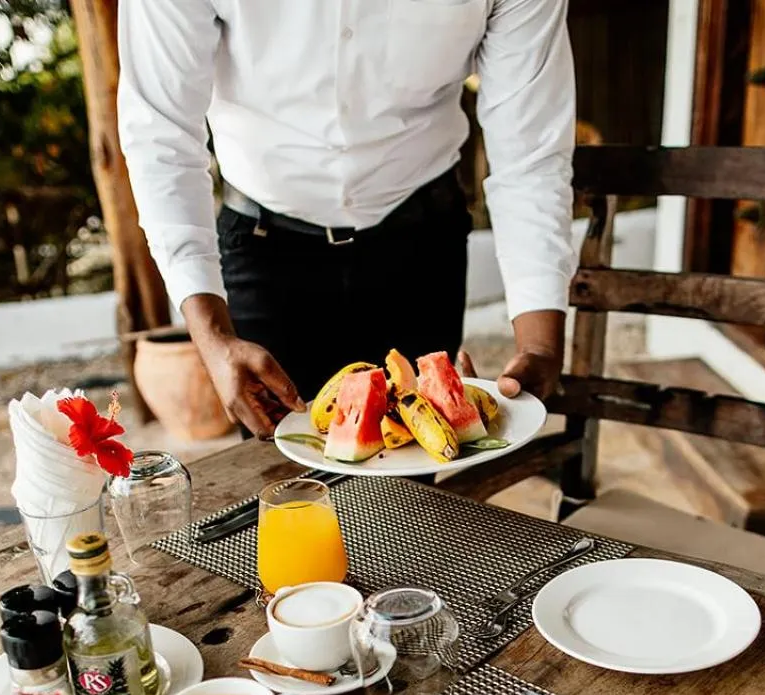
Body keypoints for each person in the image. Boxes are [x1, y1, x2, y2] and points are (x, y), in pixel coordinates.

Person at [118, 0, 578, 437]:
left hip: (423, 243)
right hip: (262, 244)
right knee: (286, 486)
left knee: (413, 491)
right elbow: (161, 134)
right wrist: (212, 335)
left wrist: (539, 345)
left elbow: (530, 154)